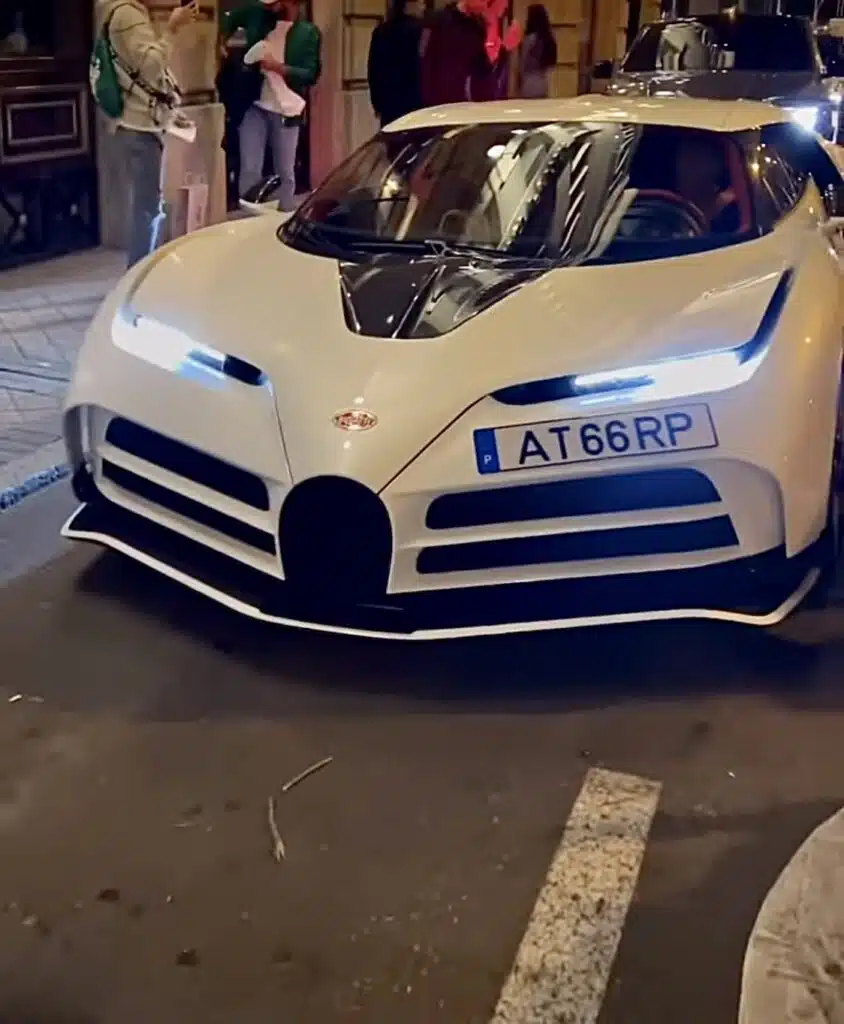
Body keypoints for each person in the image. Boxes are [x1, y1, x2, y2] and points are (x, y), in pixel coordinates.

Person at [95, 0, 195, 268]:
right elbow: (151, 65)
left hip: (133, 122)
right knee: (148, 209)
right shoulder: (129, 14)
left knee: (146, 206)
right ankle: (138, 276)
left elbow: (138, 69)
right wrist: (173, 28)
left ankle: (139, 272)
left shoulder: (118, 11)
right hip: (140, 126)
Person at [221, 0, 321, 211]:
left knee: (285, 171)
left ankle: (283, 216)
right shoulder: (258, 15)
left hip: (287, 107)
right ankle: (249, 218)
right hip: (254, 103)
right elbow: (229, 19)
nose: (269, 7)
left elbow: (310, 74)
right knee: (249, 168)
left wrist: (278, 68)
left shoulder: (307, 32)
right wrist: (221, 42)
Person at [420, 0, 520, 107]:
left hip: (463, 108)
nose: (485, 5)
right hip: (437, 107)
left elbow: (482, 76)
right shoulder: (439, 22)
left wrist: (503, 50)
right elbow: (425, 66)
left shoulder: (476, 28)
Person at [367, 0, 422, 128]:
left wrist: (377, 103)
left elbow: (374, 71)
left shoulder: (381, 31)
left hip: (389, 103)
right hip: (415, 101)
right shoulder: (420, 30)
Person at [518, 3, 557, 99]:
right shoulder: (547, 38)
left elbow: (523, 62)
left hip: (528, 83)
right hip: (543, 82)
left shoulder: (530, 39)